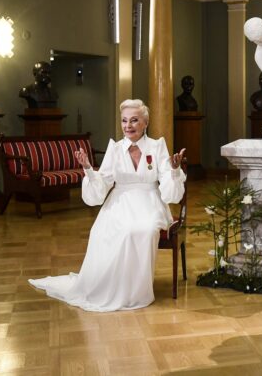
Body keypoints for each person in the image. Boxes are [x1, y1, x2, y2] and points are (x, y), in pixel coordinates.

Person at [28, 99, 186, 312]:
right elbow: (102, 186)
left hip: (149, 202)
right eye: (124, 121)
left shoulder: (157, 146)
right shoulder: (115, 148)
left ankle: (137, 291)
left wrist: (174, 170)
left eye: (134, 120)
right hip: (119, 203)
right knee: (111, 231)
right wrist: (87, 169)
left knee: (145, 230)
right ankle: (114, 288)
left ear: (145, 123)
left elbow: (170, 187)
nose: (128, 125)